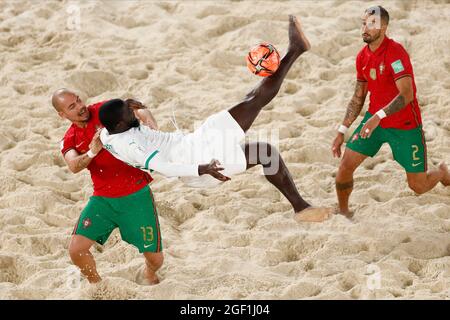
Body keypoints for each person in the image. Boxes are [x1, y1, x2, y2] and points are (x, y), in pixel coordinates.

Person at [99, 15, 334, 223]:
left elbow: (113, 121)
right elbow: (164, 168)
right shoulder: (132, 146)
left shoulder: (107, 131)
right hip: (198, 161)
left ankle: (301, 209)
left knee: (259, 127)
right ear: (120, 124)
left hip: (192, 144)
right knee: (260, 127)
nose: (134, 113)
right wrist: (203, 168)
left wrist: (129, 104)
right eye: (129, 114)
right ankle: (295, 49)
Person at [331, 6, 450, 217]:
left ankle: (441, 171)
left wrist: (378, 116)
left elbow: (406, 95)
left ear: (384, 27)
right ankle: (344, 212)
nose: (365, 28)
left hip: (405, 125)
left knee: (418, 186)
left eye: (372, 24)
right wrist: (342, 129)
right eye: (363, 23)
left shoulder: (395, 53)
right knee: (345, 166)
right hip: (374, 122)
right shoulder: (362, 57)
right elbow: (358, 96)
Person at [52, 89, 164, 285]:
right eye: (72, 106)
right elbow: (73, 165)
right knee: (76, 250)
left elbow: (140, 110)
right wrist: (93, 151)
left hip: (136, 196)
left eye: (78, 100)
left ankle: (149, 273)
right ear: (62, 115)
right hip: (103, 200)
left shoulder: (103, 111)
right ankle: (98, 286)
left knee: (156, 260)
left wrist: (152, 125)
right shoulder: (69, 138)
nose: (80, 106)